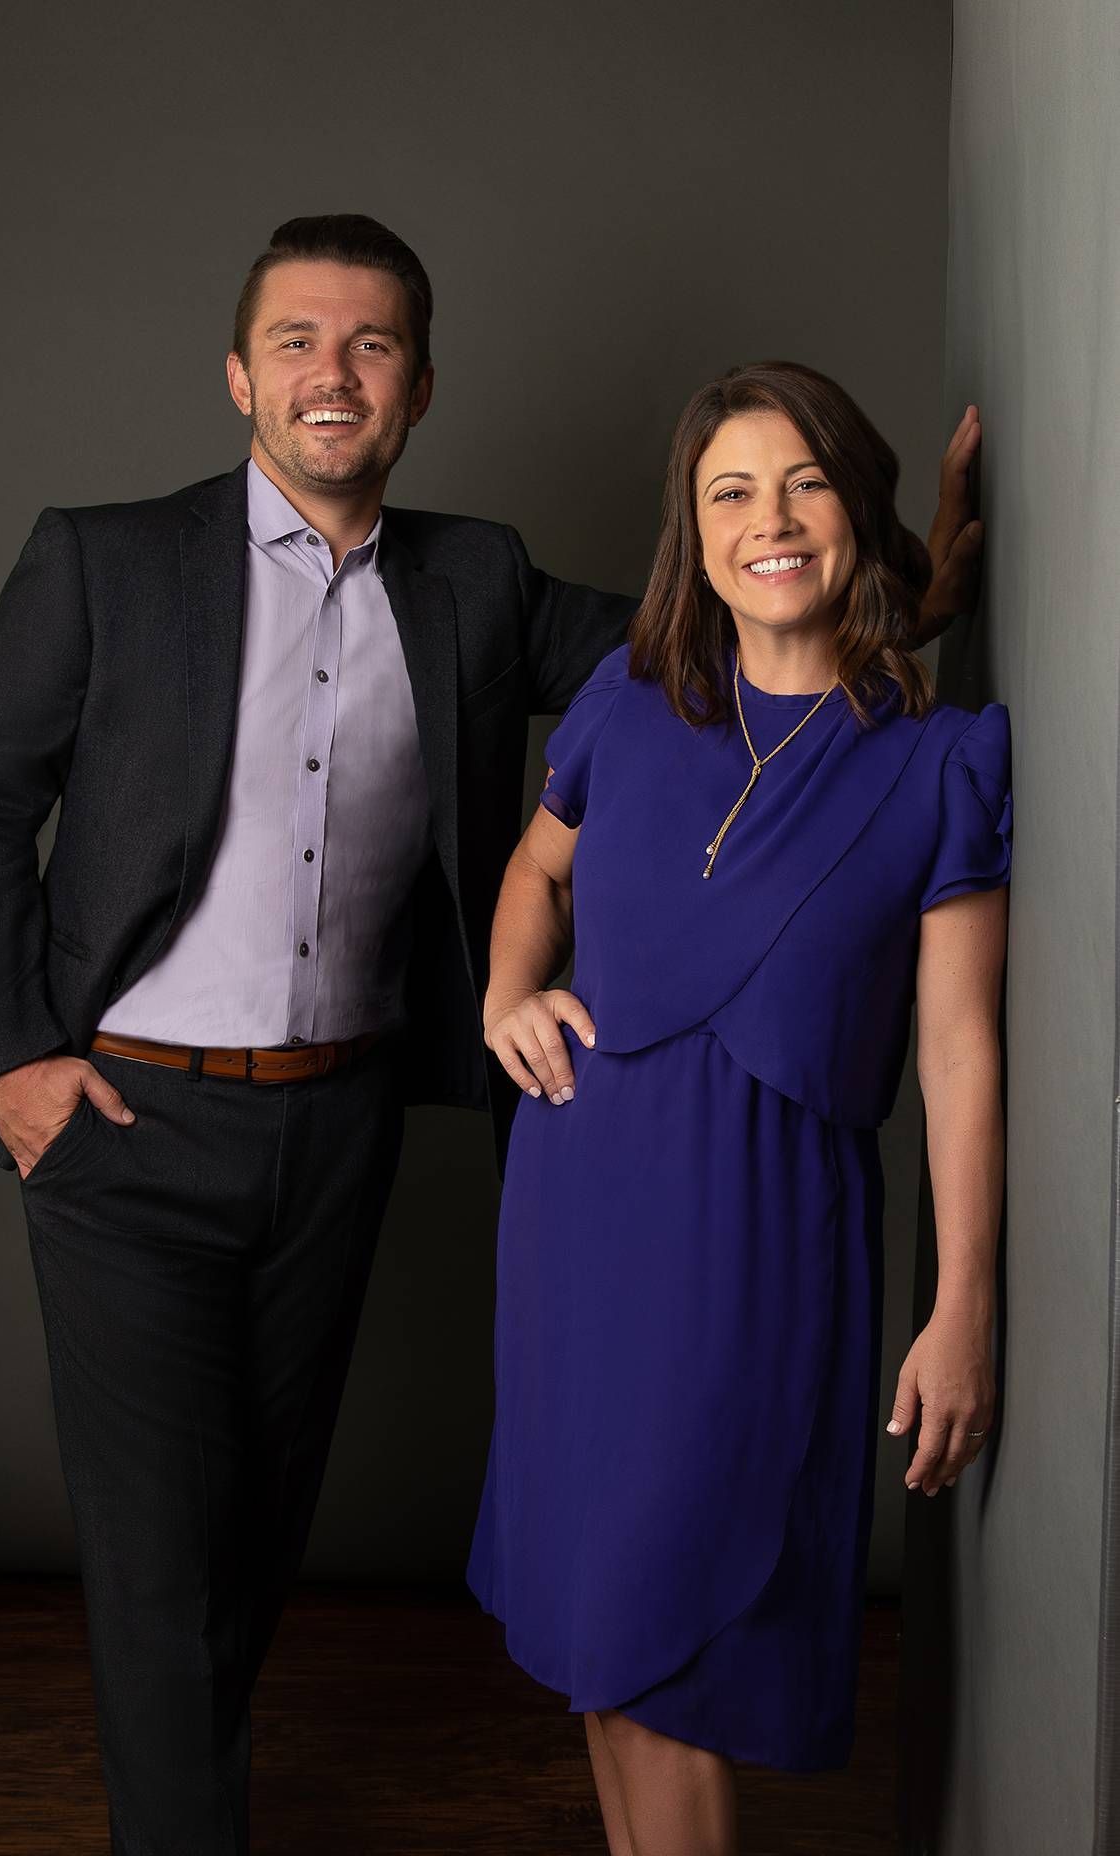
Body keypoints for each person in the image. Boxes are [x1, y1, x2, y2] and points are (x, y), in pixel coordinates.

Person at [0, 210, 979, 1855]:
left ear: (418, 387)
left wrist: (934, 583)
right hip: (121, 1125)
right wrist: (10, 1064)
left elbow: (730, 634)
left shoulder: (473, 580)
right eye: (295, 342)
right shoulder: (103, 559)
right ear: (237, 377)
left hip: (336, 1132)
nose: (331, 375)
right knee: (156, 1555)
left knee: (259, 1534)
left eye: (371, 346)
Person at [467, 360, 1012, 1856]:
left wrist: (960, 1304)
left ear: (859, 504)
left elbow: (962, 1055)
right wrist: (506, 992)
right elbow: (534, 872)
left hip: (760, 1242)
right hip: (577, 1214)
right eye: (728, 492)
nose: (766, 521)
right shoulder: (627, 700)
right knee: (599, 1637)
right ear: (688, 531)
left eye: (805, 483)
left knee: (674, 1641)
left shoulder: (941, 764)